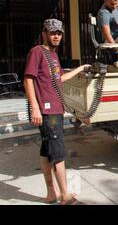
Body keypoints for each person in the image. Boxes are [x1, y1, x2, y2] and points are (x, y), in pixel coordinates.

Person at [23, 19, 90, 205]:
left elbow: (59, 78)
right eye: (53, 33)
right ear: (44, 32)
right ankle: (66, 196)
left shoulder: (53, 55)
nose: (56, 36)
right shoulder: (37, 51)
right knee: (58, 154)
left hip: (55, 109)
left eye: (59, 33)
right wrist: (35, 107)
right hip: (47, 111)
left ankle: (51, 194)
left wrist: (80, 69)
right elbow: (28, 80)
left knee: (47, 152)